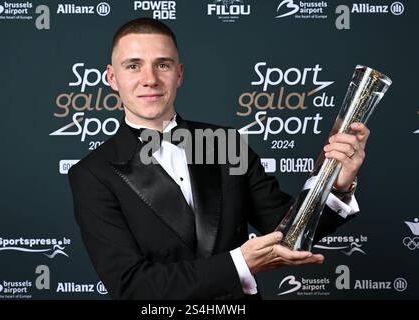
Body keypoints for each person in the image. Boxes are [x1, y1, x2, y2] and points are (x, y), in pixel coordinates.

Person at [68, 17, 369, 300]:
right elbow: (132, 286)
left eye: (163, 64)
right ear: (112, 77)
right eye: (133, 66)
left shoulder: (225, 143)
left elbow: (289, 230)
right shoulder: (92, 174)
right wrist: (239, 262)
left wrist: (338, 185)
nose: (150, 79)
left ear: (180, 74)